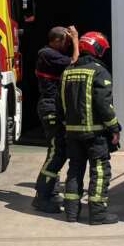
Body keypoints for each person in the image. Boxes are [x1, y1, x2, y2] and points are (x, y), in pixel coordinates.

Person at [60, 32, 122, 224]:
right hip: (95, 134)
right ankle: (97, 214)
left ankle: (71, 213)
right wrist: (114, 128)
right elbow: (104, 105)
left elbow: (60, 103)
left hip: (72, 133)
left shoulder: (67, 71)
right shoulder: (99, 71)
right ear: (97, 49)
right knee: (100, 171)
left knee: (74, 170)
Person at [32, 25, 79, 213]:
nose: (68, 45)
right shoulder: (47, 54)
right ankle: (42, 197)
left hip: (55, 107)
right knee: (56, 152)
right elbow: (74, 63)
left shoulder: (52, 55)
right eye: (66, 42)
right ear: (57, 40)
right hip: (49, 107)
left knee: (58, 152)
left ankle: (50, 192)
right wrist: (76, 39)